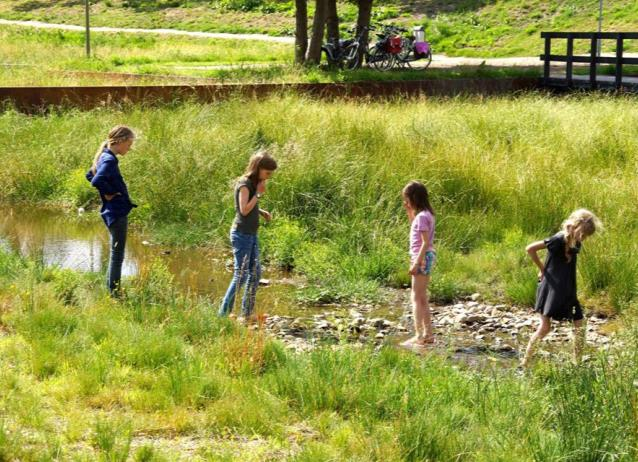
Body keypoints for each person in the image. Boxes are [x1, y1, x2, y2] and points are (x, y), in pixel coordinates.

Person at [521, 209, 602, 367]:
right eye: (583, 234)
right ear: (577, 225)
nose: (584, 239)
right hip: (551, 288)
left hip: (567, 289)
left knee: (580, 326)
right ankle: (524, 363)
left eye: (586, 237)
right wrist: (542, 269)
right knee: (545, 328)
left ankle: (576, 364)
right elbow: (530, 248)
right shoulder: (558, 239)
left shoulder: (576, 242)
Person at [218, 149, 277, 321]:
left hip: (251, 234)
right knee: (241, 274)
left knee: (256, 273)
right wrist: (258, 194)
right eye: (266, 173)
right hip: (241, 235)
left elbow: (249, 208)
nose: (268, 177)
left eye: (270, 174)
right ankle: (222, 314)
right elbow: (243, 210)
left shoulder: (254, 183)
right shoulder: (244, 184)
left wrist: (260, 211)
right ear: (257, 168)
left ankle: (246, 313)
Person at [86, 125, 137, 297]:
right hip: (116, 212)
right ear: (120, 141)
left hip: (112, 211)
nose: (130, 148)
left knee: (116, 253)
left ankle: (112, 291)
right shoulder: (109, 160)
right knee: (117, 256)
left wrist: (106, 192)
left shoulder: (104, 156)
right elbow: (96, 180)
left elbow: (89, 175)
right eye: (129, 144)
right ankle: (114, 294)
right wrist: (108, 192)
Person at [400, 180, 436, 347]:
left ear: (413, 198)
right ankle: (428, 334)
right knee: (422, 297)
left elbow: (423, 242)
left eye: (407, 199)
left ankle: (419, 335)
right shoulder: (427, 214)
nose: (406, 202)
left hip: (421, 256)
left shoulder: (422, 217)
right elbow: (415, 226)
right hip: (428, 256)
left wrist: (416, 262)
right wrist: (409, 212)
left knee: (415, 297)